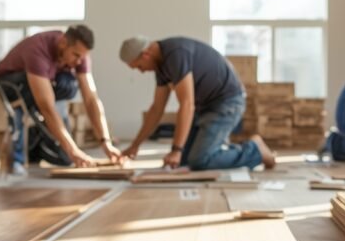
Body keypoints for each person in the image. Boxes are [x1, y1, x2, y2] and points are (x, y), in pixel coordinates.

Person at [118, 36, 276, 171]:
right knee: (184, 161)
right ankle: (241, 147)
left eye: (139, 66)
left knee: (200, 161)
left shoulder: (176, 54)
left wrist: (176, 150)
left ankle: (255, 151)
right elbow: (156, 109)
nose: (141, 71)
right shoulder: (161, 67)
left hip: (227, 102)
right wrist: (135, 145)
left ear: (146, 55)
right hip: (205, 106)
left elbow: (187, 104)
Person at [0, 25, 122, 169]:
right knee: (70, 150)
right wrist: (73, 150)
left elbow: (91, 99)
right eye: (76, 55)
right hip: (11, 83)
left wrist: (105, 142)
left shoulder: (79, 55)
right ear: (63, 43)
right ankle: (17, 157)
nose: (79, 61)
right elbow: (47, 107)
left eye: (82, 57)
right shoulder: (38, 49)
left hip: (42, 80)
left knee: (65, 158)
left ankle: (35, 143)